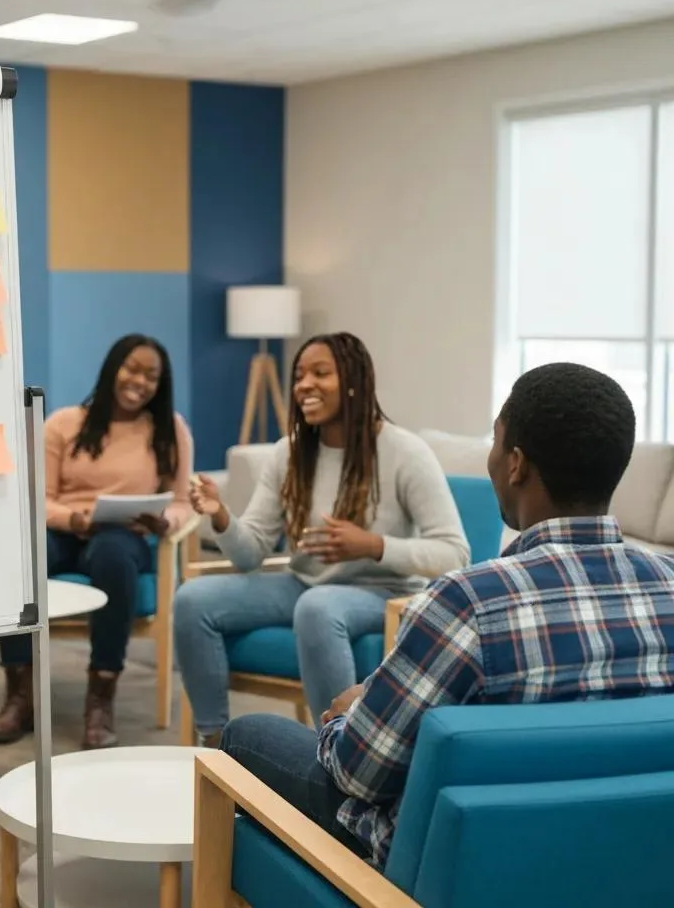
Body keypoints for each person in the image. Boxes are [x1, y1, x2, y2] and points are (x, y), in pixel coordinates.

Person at [221, 362, 674, 868]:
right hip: (633, 860)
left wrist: (348, 715)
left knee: (246, 734)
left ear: (517, 464)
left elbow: (358, 774)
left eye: (497, 442)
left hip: (467, 867)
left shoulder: (470, 602)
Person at [174, 332, 469, 743]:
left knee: (317, 606)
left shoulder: (405, 451)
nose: (304, 385)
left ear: (353, 381)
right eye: (299, 375)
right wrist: (222, 516)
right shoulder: (289, 453)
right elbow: (251, 554)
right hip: (303, 584)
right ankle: (216, 743)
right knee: (192, 599)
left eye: (320, 373)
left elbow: (454, 553)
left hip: (383, 592)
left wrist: (372, 545)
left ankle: (335, 750)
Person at [0, 333, 193, 750]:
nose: (140, 381)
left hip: (124, 535)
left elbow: (183, 501)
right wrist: (74, 517)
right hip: (65, 530)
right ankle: (20, 694)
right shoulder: (63, 423)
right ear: (112, 368)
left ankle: (101, 697)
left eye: (151, 375)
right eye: (132, 368)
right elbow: (37, 497)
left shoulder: (170, 429)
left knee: (115, 556)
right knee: (19, 558)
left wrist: (165, 521)